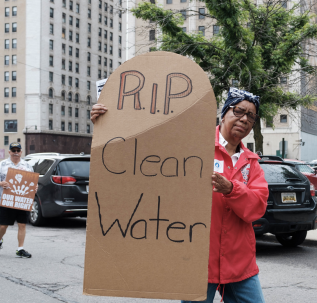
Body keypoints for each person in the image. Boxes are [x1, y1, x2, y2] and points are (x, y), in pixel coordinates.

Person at [90, 87, 269, 303]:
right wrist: (108, 125)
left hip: (241, 266)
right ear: (223, 113)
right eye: (239, 110)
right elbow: (143, 158)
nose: (245, 119)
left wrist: (231, 189)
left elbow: (257, 208)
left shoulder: (251, 162)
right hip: (198, 263)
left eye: (251, 115)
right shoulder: (192, 144)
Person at [0, 142, 35, 258]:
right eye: (13, 150)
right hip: (6, 200)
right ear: (9, 152)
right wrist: (0, 183)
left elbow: (32, 181)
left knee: (22, 224)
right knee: (3, 226)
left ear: (21, 152)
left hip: (22, 200)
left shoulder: (27, 166)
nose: (16, 153)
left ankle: (20, 249)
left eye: (18, 151)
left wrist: (34, 188)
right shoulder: (2, 164)